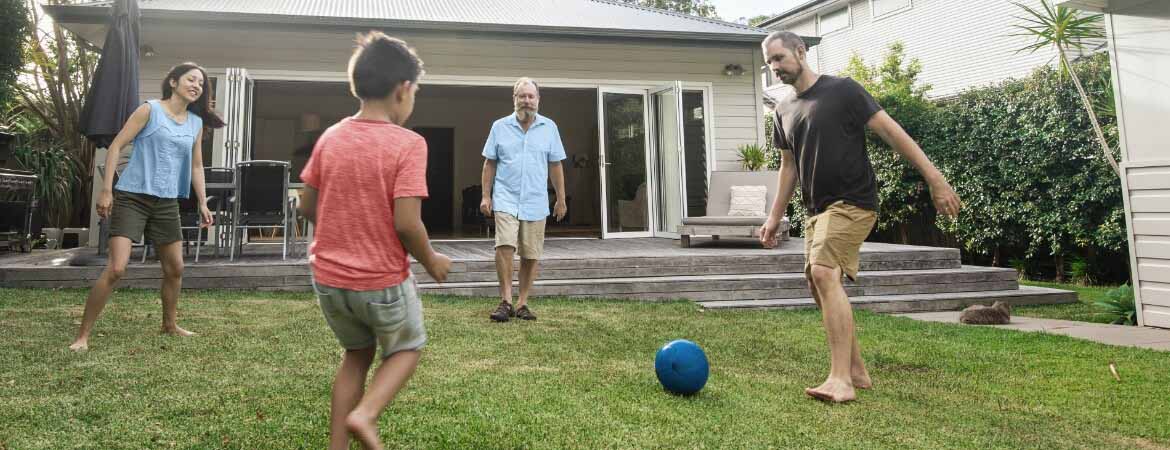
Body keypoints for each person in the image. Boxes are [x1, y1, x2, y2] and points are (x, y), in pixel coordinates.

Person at [757, 31, 962, 403]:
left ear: (801, 52)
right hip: (816, 209)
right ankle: (856, 370)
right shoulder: (783, 108)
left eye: (780, 58)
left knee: (823, 272)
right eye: (769, 62)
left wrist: (935, 178)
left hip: (853, 201)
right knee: (816, 282)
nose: (775, 68)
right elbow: (788, 167)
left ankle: (841, 381)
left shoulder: (844, 91)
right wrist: (774, 217)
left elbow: (892, 132)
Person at [297, 32, 451, 450]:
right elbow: (406, 222)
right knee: (406, 349)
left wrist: (345, 221)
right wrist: (432, 258)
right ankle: (365, 414)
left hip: (328, 280)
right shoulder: (409, 144)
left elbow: (307, 206)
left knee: (356, 354)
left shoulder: (330, 137)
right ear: (404, 90)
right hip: (380, 282)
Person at [69, 62, 225, 352]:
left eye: (201, 84)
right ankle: (82, 336)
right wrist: (106, 191)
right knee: (117, 268)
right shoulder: (149, 110)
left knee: (175, 268)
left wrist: (203, 201)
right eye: (191, 80)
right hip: (132, 196)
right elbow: (116, 146)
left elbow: (197, 165)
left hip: (166, 201)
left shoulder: (195, 123)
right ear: (173, 81)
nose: (196, 86)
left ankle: (169, 324)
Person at [479, 77, 567, 322]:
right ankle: (506, 300)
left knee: (530, 254)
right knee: (505, 245)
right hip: (505, 197)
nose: (526, 100)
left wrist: (560, 199)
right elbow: (490, 163)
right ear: (514, 99)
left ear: (538, 100)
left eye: (531, 96)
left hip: (535, 200)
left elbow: (555, 164)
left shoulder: (550, 127)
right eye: (522, 96)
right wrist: (486, 196)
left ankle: (522, 303)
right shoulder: (499, 127)